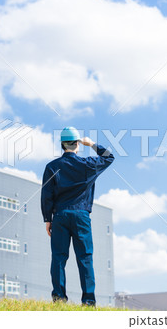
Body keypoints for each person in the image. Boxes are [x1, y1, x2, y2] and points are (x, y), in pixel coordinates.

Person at [41, 127, 114, 306]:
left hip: (60, 216)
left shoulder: (52, 167)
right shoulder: (87, 165)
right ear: (77, 145)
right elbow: (109, 157)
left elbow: (46, 195)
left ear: (61, 144)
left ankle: (58, 299)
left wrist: (47, 219)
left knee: (58, 257)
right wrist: (92, 144)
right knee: (85, 258)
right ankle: (88, 301)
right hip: (81, 216)